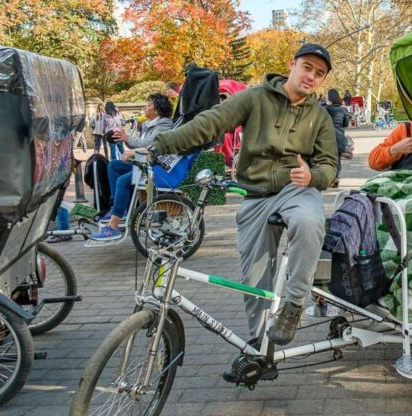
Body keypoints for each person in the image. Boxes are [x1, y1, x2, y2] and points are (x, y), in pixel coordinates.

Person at [149, 44, 338, 347]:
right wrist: (160, 144)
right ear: (292, 64)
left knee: (309, 222)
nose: (311, 76)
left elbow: (329, 164)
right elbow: (211, 122)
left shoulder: (320, 117)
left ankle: (293, 306)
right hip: (254, 194)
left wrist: (313, 176)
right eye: (306, 67)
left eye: (319, 73)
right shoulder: (255, 97)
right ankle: (259, 345)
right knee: (255, 278)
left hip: (296, 189)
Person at [89, 94, 176, 241]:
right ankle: (117, 207)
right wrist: (125, 138)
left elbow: (150, 145)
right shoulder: (151, 124)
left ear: (157, 109)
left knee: (123, 180)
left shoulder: (164, 125)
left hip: (155, 167)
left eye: (148, 105)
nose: (145, 108)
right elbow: (140, 143)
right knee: (114, 165)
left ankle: (114, 226)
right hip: (145, 164)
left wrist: (128, 140)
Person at [324, 89, 350, 187]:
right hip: (340, 138)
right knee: (338, 159)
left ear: (330, 97)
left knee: (328, 159)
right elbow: (346, 124)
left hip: (328, 137)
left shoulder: (326, 109)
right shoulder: (342, 109)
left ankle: (330, 178)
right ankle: (337, 179)